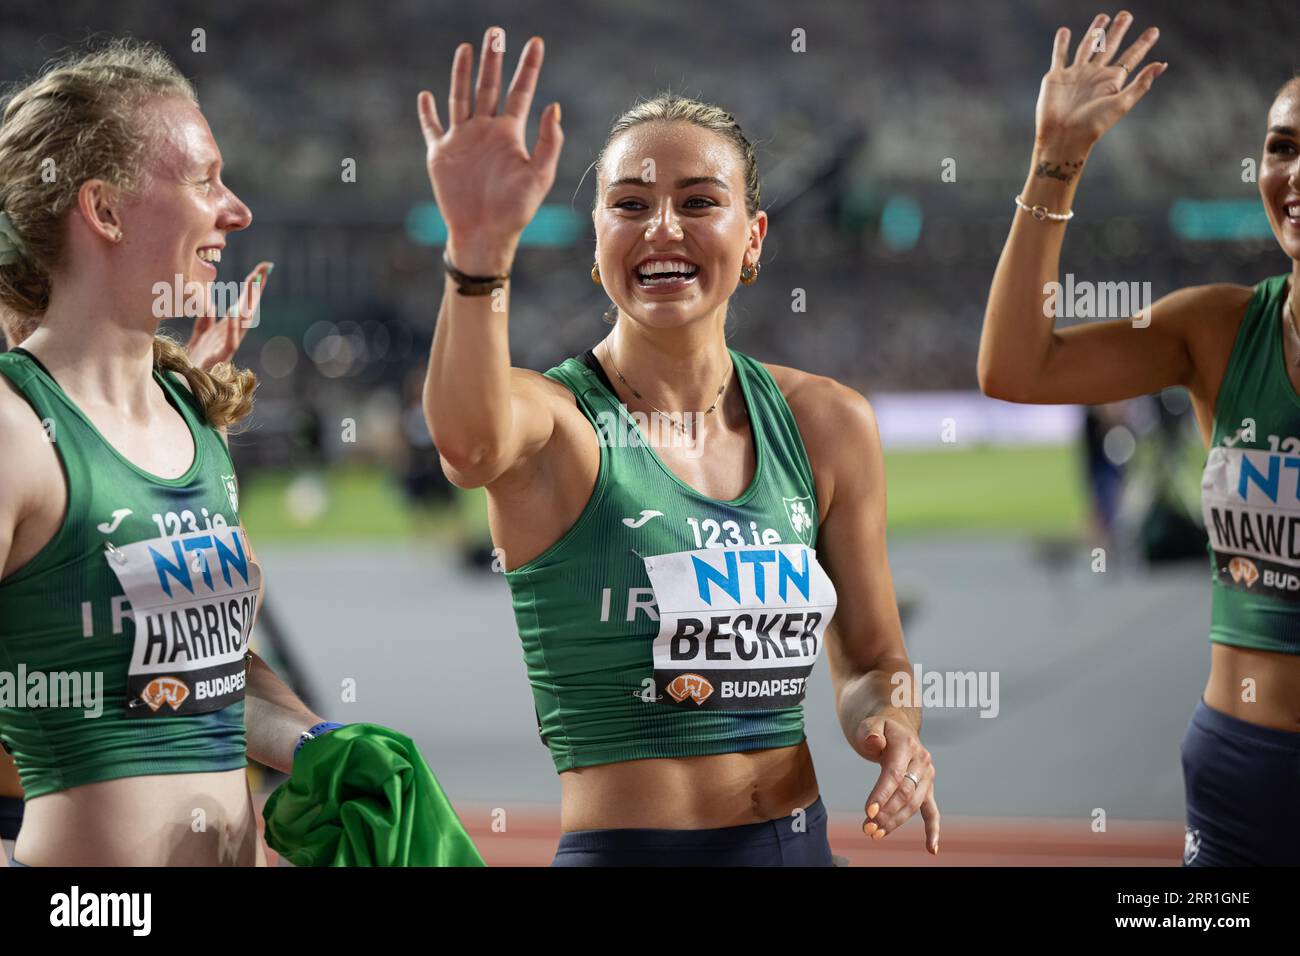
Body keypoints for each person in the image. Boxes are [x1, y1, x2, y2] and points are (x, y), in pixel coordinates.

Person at [418, 26, 939, 865]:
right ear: (597, 243)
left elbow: (876, 659)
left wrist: (890, 727)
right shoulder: (558, 423)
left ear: (755, 236)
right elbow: (468, 444)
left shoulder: (827, 423)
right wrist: (478, 256)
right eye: (629, 204)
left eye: (700, 201)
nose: (662, 227)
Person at [0, 39, 333, 866]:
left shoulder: (192, 420)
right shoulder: (13, 429)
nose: (236, 210)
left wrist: (323, 746)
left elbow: (214, 683)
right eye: (203, 180)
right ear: (106, 211)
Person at [978, 10, 1300, 865]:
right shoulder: (1223, 329)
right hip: (1239, 770)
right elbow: (1018, 368)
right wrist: (1058, 157)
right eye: (1282, 147)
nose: (1294, 173)